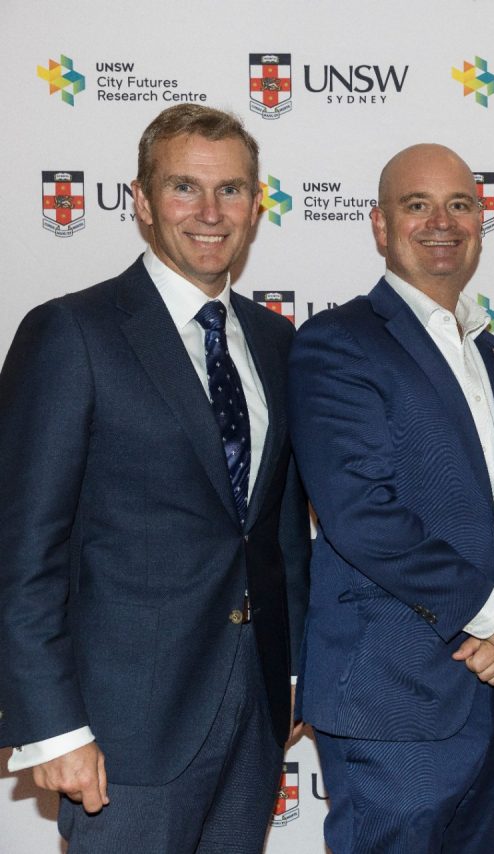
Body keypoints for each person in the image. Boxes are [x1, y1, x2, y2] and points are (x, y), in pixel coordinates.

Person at [0, 104, 310, 852]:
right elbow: (22, 549)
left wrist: (295, 670)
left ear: (256, 205)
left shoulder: (276, 340)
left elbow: (278, 530)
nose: (211, 212)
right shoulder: (72, 332)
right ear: (140, 201)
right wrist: (53, 725)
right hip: (120, 730)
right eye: (184, 188)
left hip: (255, 712)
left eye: (231, 190)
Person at [288, 143, 494, 854]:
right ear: (381, 225)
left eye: (459, 204)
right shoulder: (337, 343)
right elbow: (360, 513)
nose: (442, 221)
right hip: (390, 698)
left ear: (480, 222)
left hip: (487, 690)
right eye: (417, 205)